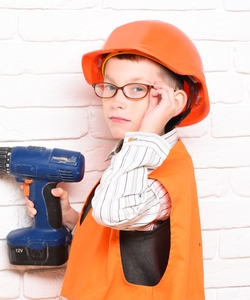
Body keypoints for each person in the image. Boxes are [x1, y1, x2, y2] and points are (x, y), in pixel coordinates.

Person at [25, 20, 209, 299]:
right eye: (109, 86)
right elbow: (123, 235)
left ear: (175, 103)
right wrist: (72, 219)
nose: (116, 100)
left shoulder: (165, 175)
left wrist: (147, 132)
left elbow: (115, 213)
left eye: (137, 89)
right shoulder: (132, 160)